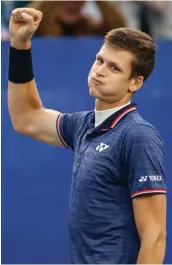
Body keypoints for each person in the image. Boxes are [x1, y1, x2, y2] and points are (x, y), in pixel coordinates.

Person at [8, 8, 166, 264]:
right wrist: (20, 44)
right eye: (99, 60)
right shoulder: (83, 125)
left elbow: (154, 235)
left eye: (114, 68)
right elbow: (26, 117)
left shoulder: (138, 136)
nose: (100, 70)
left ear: (135, 83)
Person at [26, 1, 126, 37]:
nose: (73, 6)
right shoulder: (40, 28)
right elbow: (27, 18)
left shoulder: (89, 27)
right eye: (67, 1)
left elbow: (118, 27)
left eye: (78, 1)